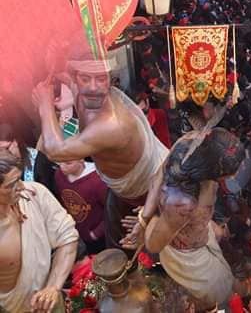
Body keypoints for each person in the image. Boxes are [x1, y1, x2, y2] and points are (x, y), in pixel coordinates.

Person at [32, 56, 169, 249]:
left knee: (147, 246)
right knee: (119, 243)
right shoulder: (77, 90)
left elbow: (55, 151)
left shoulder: (112, 123)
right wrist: (53, 57)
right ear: (75, 78)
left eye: (101, 78)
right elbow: (62, 69)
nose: (94, 87)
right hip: (120, 190)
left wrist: (44, 105)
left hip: (148, 191)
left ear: (111, 80)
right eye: (85, 78)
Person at [142, 128, 243, 310]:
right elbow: (153, 245)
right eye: (230, 172)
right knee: (219, 290)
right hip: (189, 257)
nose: (235, 175)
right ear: (213, 168)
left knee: (226, 282)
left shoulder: (191, 142)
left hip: (201, 235)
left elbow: (158, 176)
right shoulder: (183, 203)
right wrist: (147, 219)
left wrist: (210, 226)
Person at [0, 149, 78, 313]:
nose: (21, 187)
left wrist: (52, 288)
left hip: (50, 301)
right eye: (11, 185)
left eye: (19, 179)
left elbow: (68, 238)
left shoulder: (34, 194)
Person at [54, 159, 107, 253]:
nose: (62, 167)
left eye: (68, 163)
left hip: (98, 239)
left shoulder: (98, 180)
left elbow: (110, 211)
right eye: (59, 162)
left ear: (81, 160)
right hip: (75, 233)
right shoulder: (59, 175)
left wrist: (96, 233)